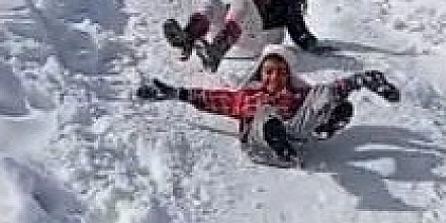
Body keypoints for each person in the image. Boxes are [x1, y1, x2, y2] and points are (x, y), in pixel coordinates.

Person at [134, 46, 400, 167]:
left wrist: (332, 107)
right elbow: (213, 98)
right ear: (261, 74)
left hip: (295, 137)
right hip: (260, 145)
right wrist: (175, 92)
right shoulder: (249, 95)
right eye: (269, 72)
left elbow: (319, 98)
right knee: (264, 111)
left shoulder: (297, 95)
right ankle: (278, 142)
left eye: (281, 72)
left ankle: (364, 81)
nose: (275, 77)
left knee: (328, 98)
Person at [163, 0, 319, 72]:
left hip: (260, 43)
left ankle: (219, 47)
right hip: (236, 44)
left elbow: (298, 30)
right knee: (213, 2)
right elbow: (231, 12)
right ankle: (188, 37)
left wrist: (311, 44)